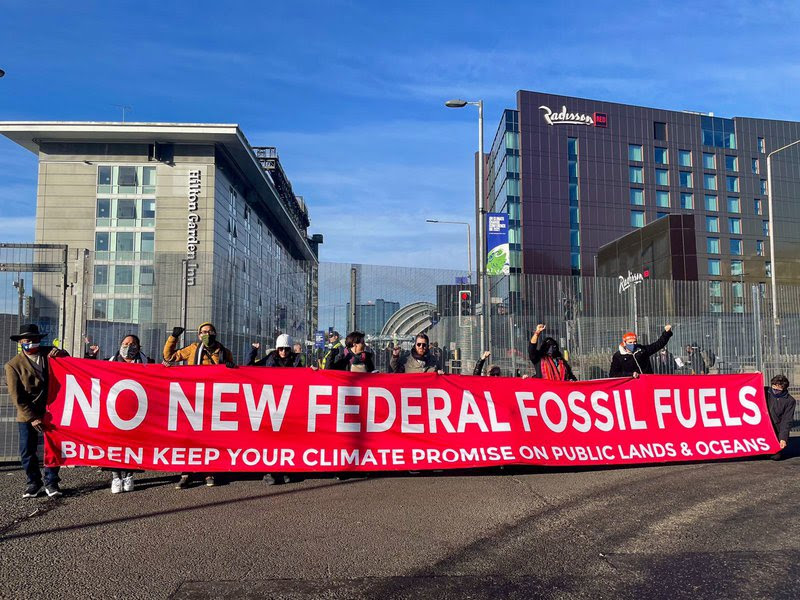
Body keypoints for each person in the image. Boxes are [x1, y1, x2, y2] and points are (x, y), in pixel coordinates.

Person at [163, 322, 235, 488]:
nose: (206, 334)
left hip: (214, 401)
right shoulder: (193, 349)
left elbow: (234, 378)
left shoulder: (224, 352)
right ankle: (187, 472)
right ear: (198, 335)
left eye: (209, 331)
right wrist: (173, 338)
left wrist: (232, 368)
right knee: (189, 437)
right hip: (192, 399)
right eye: (203, 332)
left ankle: (209, 471)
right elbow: (169, 357)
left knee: (210, 437)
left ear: (215, 333)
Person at [5, 323, 69, 498]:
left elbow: (69, 363)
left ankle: (52, 481)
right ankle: (33, 482)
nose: (31, 343)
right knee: (27, 449)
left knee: (54, 447)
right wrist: (32, 417)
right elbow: (17, 396)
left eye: (34, 340)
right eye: (27, 340)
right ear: (21, 342)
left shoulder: (50, 353)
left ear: (39, 340)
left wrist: (62, 353)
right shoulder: (13, 365)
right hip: (28, 413)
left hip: (52, 410)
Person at [249, 333, 303, 485]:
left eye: (286, 349)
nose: (283, 352)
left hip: (290, 403)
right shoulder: (270, 359)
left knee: (287, 438)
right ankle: (269, 471)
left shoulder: (297, 360)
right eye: (281, 349)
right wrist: (253, 351)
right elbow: (251, 367)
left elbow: (304, 377)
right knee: (270, 438)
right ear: (277, 349)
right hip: (271, 402)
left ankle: (285, 469)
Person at [106, 334, 151, 493]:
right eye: (125, 343)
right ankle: (116, 477)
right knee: (114, 445)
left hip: (138, 413)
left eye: (132, 344)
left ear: (138, 347)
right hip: (114, 412)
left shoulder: (149, 364)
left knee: (133, 445)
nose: (128, 347)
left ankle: (129, 476)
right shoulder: (107, 363)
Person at [765, 374, 796, 460]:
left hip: (775, 429)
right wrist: (754, 376)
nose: (775, 391)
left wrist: (783, 438)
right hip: (761, 427)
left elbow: (786, 421)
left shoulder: (790, 401)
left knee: (776, 456)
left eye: (778, 390)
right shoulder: (764, 391)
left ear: (784, 389)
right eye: (773, 388)